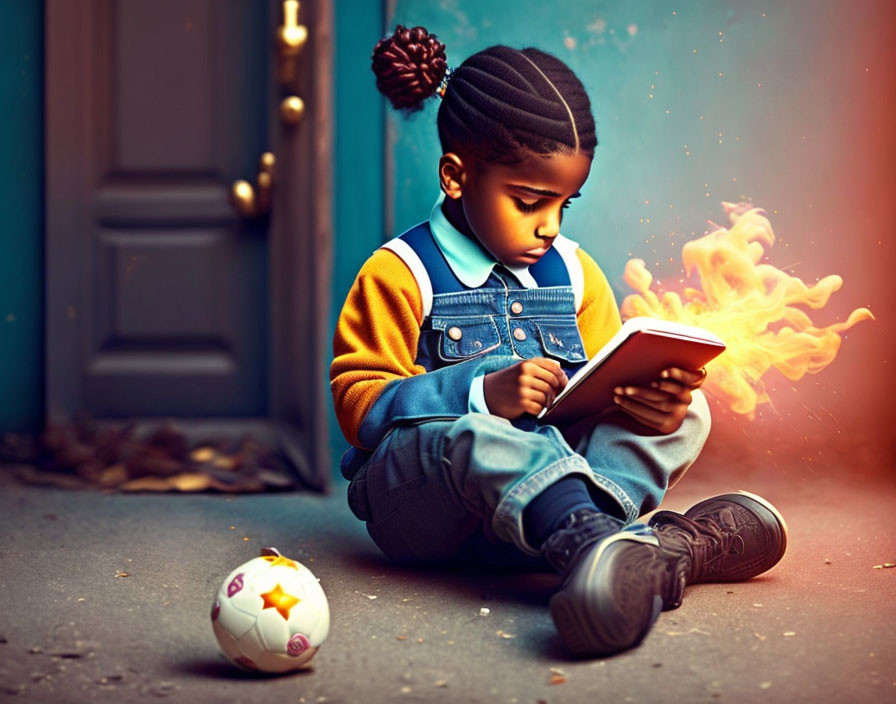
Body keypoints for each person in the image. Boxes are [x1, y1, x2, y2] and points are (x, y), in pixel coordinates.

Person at [331, 25, 787, 656]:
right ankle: (659, 549)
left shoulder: (575, 273)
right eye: (528, 202)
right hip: (432, 512)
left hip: (542, 510)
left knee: (692, 410)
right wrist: (480, 392)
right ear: (457, 176)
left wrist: (643, 404)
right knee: (472, 435)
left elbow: (596, 384)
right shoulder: (399, 271)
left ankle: (601, 545)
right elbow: (359, 405)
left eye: (565, 205)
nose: (549, 226)